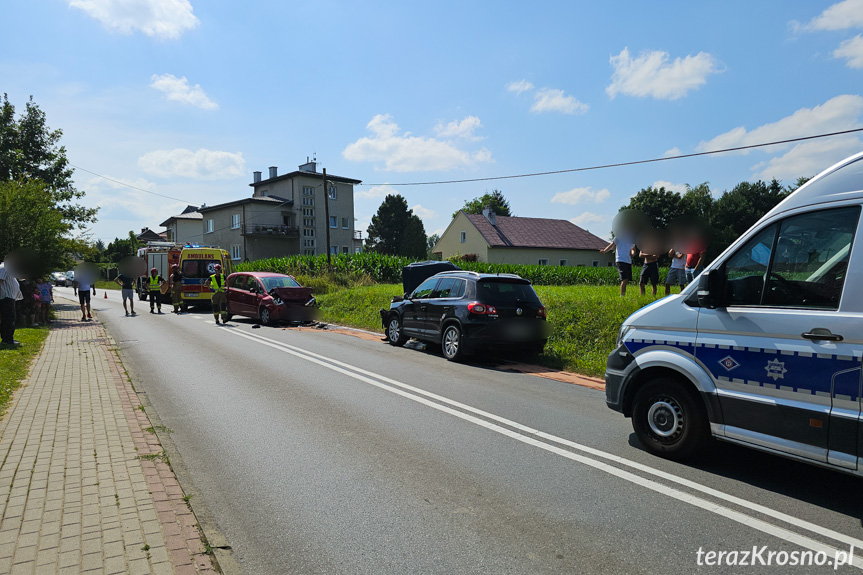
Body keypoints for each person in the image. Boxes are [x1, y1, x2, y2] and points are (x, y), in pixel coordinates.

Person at [0, 256, 23, 346]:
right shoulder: (4, 268)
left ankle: (8, 338)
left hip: (9, 297)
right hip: (6, 297)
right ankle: (7, 340)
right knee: (8, 319)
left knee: (9, 319)